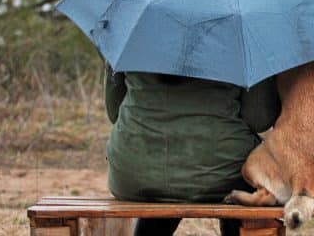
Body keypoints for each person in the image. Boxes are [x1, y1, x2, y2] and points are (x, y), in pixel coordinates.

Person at [103, 64, 281, 236]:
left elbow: (114, 111)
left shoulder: (132, 39)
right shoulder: (238, 41)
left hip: (134, 174)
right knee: (245, 175)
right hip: (221, 174)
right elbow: (259, 118)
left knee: (161, 189)